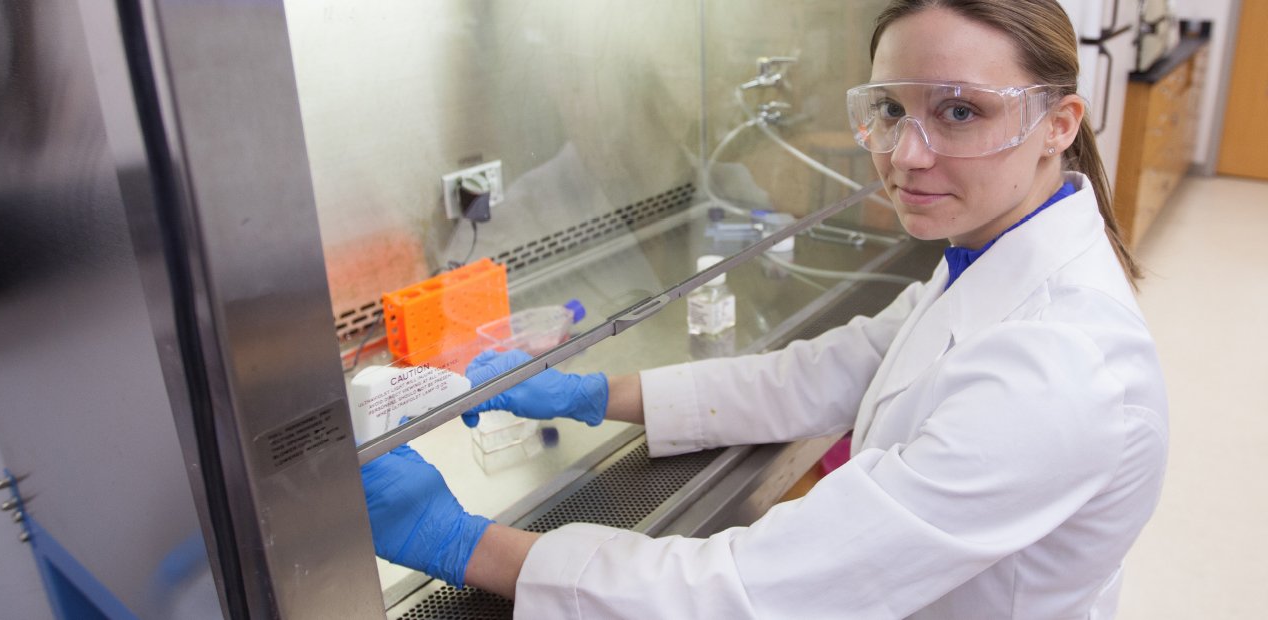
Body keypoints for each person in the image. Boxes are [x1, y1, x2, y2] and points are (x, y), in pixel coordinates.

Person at [360, 1, 1168, 617]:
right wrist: (595, 394)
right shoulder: (993, 256)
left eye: (961, 111)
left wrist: (468, 546)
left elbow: (755, 591)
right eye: (891, 109)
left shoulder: (1059, 368)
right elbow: (840, 366)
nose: (905, 153)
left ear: (1055, 125)